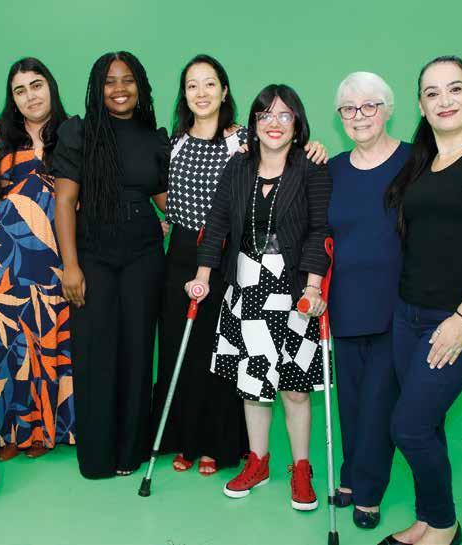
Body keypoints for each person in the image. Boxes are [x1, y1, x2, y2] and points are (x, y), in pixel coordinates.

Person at [328, 72, 462, 531]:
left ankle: (436, 523)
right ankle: (426, 520)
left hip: (445, 315)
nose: (444, 100)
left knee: (405, 422)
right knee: (415, 421)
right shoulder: (418, 162)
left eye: (455, 89)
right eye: (432, 93)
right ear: (421, 104)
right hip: (395, 312)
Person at [153, 54, 328, 476]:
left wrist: (315, 146)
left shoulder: (245, 140)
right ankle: (190, 440)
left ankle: (223, 445)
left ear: (224, 90)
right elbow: (169, 196)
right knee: (191, 352)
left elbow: (287, 155)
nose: (201, 92)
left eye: (209, 83)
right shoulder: (175, 142)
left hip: (245, 259)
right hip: (194, 256)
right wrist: (168, 225)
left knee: (232, 360)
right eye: (192, 85)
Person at [186, 84, 331, 511]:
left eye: (285, 115)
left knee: (295, 389)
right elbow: (216, 224)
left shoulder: (311, 168)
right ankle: (258, 461)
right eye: (266, 115)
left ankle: (301, 468)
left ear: (297, 124)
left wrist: (313, 287)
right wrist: (202, 276)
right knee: (253, 386)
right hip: (246, 286)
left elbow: (320, 232)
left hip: (294, 290)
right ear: (254, 122)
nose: (274, 123)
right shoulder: (238, 166)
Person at [52, 51, 169, 479]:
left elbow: (166, 201)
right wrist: (70, 266)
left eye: (128, 80)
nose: (120, 89)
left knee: (138, 352)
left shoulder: (154, 138)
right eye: (109, 81)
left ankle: (130, 452)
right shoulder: (78, 133)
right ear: (97, 88)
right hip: (93, 256)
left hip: (144, 256)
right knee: (95, 353)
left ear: (141, 86)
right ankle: (98, 456)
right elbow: (65, 202)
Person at [0, 57, 75, 461]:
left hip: (58, 256)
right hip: (6, 258)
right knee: (6, 342)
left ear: (51, 87)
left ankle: (44, 430)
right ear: (12, 98)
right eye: (20, 90)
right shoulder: (0, 135)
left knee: (50, 338)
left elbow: (94, 193)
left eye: (37, 85)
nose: (30, 96)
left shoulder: (74, 132)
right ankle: (8, 431)